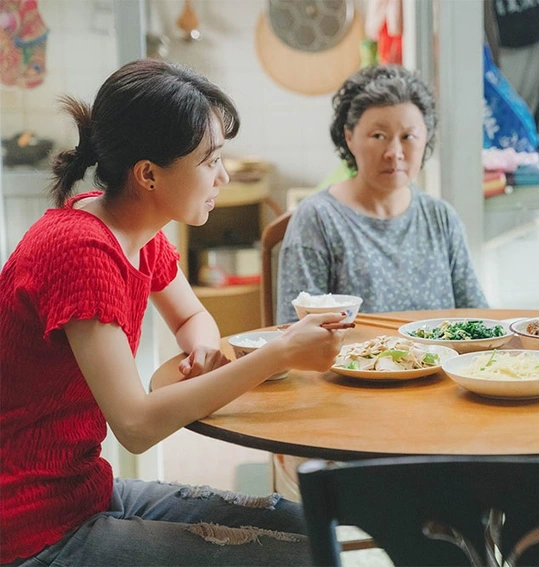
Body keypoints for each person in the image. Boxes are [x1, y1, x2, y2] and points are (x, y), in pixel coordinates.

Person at [0, 59, 346, 566]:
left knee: (306, 526)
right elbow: (136, 426)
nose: (223, 176)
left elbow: (190, 318)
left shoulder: (132, 229)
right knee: (292, 557)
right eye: (210, 161)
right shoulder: (82, 252)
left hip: (86, 493)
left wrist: (202, 349)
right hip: (31, 528)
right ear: (148, 175)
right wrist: (278, 354)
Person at [276, 64, 488, 323]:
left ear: (426, 138)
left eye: (408, 136)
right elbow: (294, 331)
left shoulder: (441, 218)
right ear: (349, 137)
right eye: (378, 136)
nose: (394, 153)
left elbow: (479, 320)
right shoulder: (318, 218)